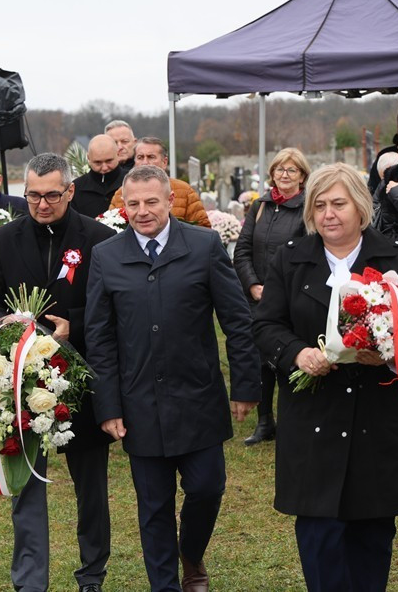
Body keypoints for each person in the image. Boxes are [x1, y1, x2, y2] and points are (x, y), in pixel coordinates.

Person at [251, 162, 398, 591]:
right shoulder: (290, 259)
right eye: (319, 206)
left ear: (360, 207)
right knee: (319, 533)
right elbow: (265, 325)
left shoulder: (397, 257)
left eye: (338, 204)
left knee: (372, 533)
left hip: (379, 415)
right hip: (314, 416)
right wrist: (297, 353)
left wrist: (388, 353)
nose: (328, 214)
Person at [86, 165, 261, 592]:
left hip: (198, 398)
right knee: (153, 507)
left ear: (169, 200)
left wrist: (245, 385)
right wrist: (107, 405)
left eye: (151, 202)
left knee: (207, 488)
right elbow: (99, 338)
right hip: (139, 404)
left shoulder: (203, 246)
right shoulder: (106, 256)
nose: (142, 211)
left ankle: (191, 552)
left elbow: (237, 321)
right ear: (123, 207)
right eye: (133, 204)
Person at [0, 153, 116, 592]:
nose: (42, 204)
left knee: (91, 488)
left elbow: (113, 305)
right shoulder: (6, 239)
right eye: (33, 196)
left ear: (70, 191)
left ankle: (92, 573)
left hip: (81, 379)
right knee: (27, 486)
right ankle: (30, 580)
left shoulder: (99, 238)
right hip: (23, 381)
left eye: (52, 195)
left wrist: (75, 323)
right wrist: (8, 325)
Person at [233, 147, 310, 446]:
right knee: (260, 361)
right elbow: (242, 249)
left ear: (302, 176)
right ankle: (264, 421)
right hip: (257, 298)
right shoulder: (260, 206)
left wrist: (279, 290)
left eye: (291, 170)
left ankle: (293, 422)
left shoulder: (307, 208)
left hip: (290, 298)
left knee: (287, 359)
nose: (284, 175)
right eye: (279, 169)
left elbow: (307, 254)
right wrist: (252, 284)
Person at [107, 138, 211, 228]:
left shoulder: (185, 191)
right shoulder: (121, 193)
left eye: (151, 157)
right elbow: (110, 226)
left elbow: (202, 228)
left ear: (164, 162)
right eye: (140, 157)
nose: (145, 162)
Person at [70, 134, 123, 218]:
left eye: (109, 161)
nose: (104, 167)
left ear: (118, 154)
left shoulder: (131, 181)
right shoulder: (76, 188)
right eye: (98, 163)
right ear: (88, 158)